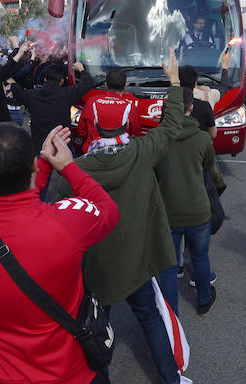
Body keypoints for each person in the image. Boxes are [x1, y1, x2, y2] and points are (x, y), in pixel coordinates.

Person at [47, 50, 187, 384]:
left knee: (94, 330)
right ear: (127, 124)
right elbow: (170, 125)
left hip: (96, 268)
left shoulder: (73, 170)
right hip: (136, 260)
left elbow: (56, 220)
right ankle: (171, 378)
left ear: (92, 125)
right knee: (150, 317)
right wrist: (175, 83)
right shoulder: (141, 153)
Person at [0, 124, 119, 384]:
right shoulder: (65, 224)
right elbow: (107, 209)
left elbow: (14, 208)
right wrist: (67, 167)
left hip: (1, 375)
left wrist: (42, 166)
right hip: (71, 373)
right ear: (34, 167)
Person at [156, 88, 220, 316]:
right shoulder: (202, 138)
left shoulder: (158, 138)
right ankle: (203, 301)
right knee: (201, 258)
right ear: (191, 108)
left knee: (168, 267)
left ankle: (169, 315)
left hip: (168, 211)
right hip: (198, 210)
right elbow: (207, 168)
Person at [16, 62, 95, 151]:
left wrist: (11, 82)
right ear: (61, 81)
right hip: (63, 146)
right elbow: (88, 82)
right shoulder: (67, 93)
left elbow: (17, 90)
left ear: (45, 79)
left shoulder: (31, 95)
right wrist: (81, 69)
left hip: (41, 147)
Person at [75, 68, 142, 153]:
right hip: (120, 155)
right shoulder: (131, 107)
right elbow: (136, 135)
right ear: (125, 86)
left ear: (106, 85)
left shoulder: (92, 101)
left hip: (93, 153)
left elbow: (81, 131)